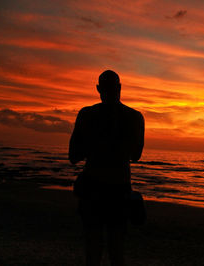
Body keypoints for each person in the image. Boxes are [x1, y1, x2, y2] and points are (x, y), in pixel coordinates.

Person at [69, 70, 145, 266]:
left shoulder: (87, 115)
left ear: (98, 89)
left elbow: (74, 156)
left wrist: (96, 145)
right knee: (115, 250)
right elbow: (135, 156)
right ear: (120, 88)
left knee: (94, 249)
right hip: (118, 189)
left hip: (94, 187)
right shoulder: (134, 117)